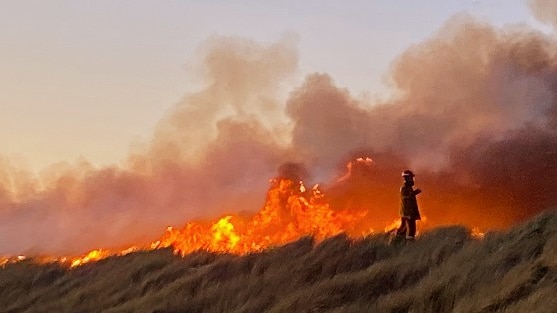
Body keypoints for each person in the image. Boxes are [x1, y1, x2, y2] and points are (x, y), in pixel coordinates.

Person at [395, 170, 422, 242]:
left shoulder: (407, 187)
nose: (412, 179)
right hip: (408, 212)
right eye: (411, 178)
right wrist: (414, 193)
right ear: (407, 178)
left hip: (407, 212)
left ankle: (398, 240)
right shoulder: (404, 187)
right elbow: (405, 198)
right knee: (411, 229)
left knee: (403, 228)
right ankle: (409, 243)